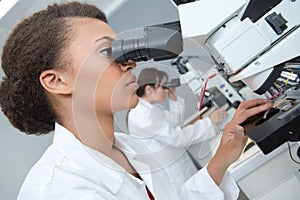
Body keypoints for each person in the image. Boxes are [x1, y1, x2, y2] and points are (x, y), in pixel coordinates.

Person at [0, 1, 273, 199]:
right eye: (107, 51)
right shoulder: (58, 191)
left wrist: (223, 155)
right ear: (57, 81)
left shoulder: (127, 149)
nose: (129, 62)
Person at [127, 67, 227, 187]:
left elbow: (173, 125)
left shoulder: (150, 109)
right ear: (149, 89)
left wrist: (174, 100)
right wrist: (209, 122)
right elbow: (177, 138)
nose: (167, 90)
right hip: (173, 173)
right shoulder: (142, 115)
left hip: (177, 164)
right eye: (164, 86)